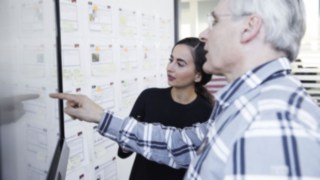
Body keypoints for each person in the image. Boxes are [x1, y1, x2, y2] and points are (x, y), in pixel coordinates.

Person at [50, 0, 320, 179]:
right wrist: (100, 115)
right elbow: (179, 145)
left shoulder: (276, 122)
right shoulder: (246, 107)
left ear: (249, 27)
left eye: (214, 21)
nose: (204, 34)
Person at [117, 37, 213, 180]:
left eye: (180, 64)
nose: (170, 67)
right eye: (171, 60)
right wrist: (132, 132)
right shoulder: (148, 98)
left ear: (198, 75)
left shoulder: (207, 113)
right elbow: (123, 152)